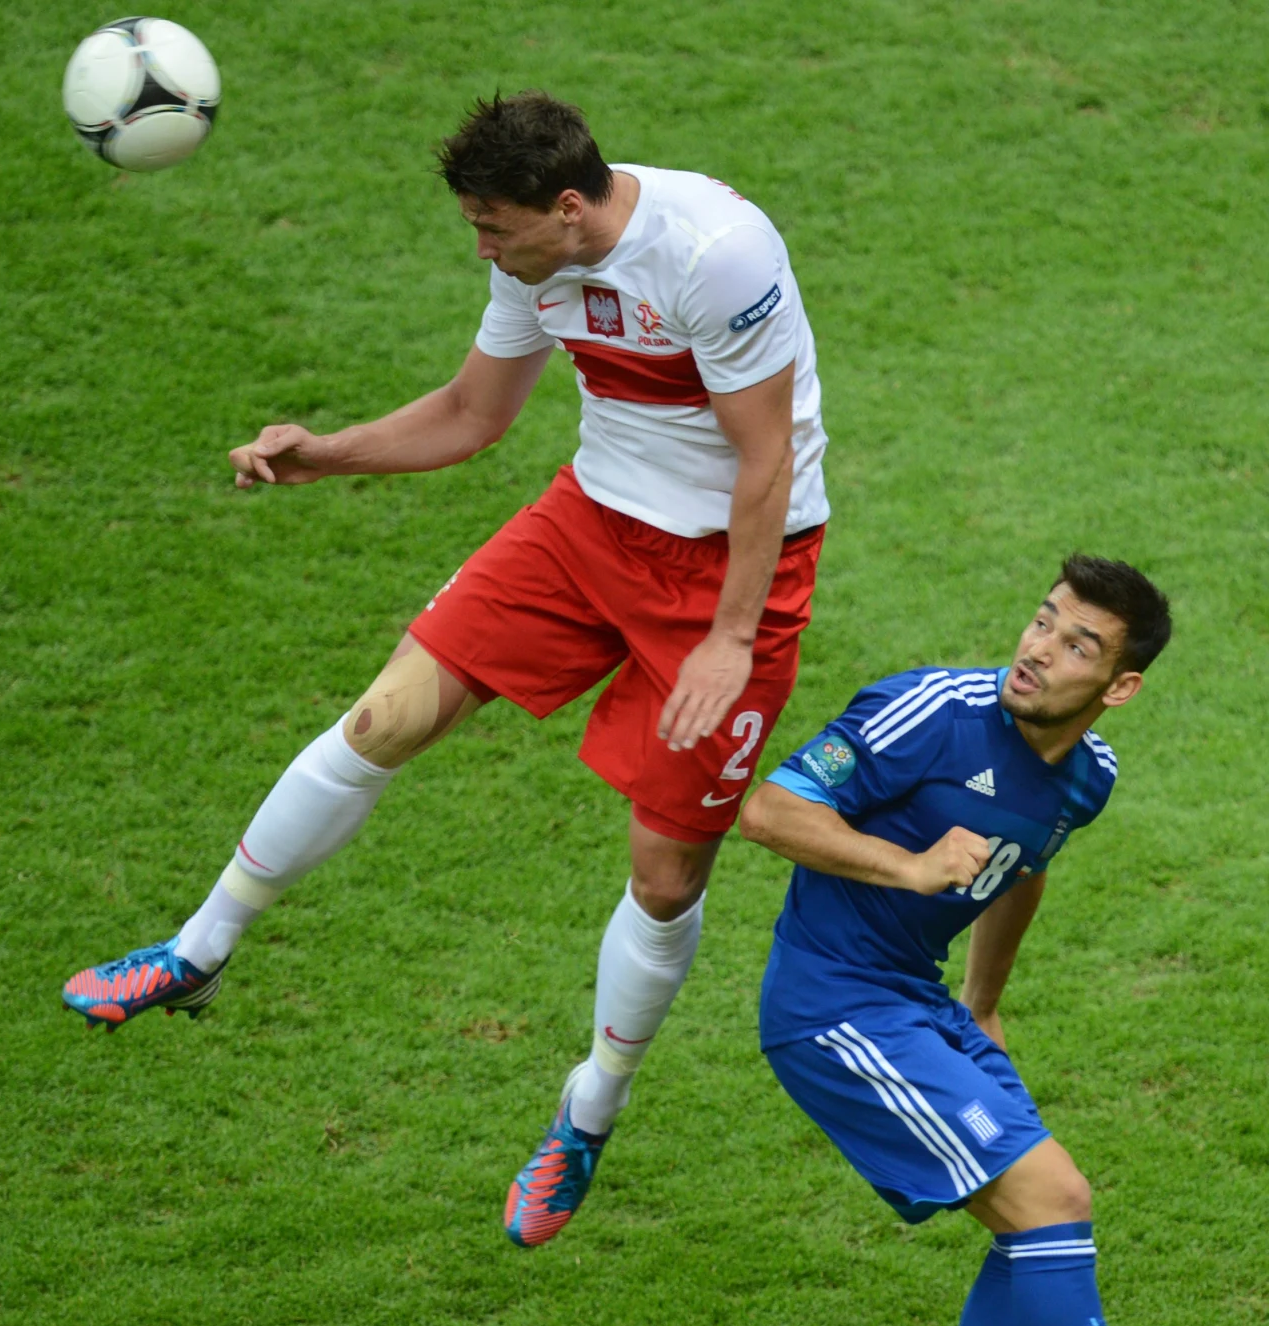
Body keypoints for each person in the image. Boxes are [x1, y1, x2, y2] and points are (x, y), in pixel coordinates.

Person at [61, 91, 829, 1248]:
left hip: (731, 568)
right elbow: (474, 412)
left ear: (566, 209)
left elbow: (762, 461)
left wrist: (726, 638)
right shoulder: (535, 262)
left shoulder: (717, 256)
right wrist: (323, 456)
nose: (480, 248)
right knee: (382, 718)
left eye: (491, 228)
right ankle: (196, 951)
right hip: (588, 527)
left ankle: (586, 1116)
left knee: (666, 878)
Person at [740, 556, 1251, 1326]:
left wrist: (982, 1001)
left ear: (1118, 689)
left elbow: (1023, 869)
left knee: (1033, 1228)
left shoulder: (1086, 777)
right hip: (831, 1006)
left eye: (1076, 645)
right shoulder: (927, 710)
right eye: (1041, 621)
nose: (1036, 649)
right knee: (1052, 1197)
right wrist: (907, 864)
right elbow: (766, 810)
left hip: (919, 1006)